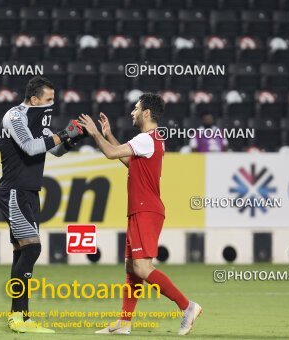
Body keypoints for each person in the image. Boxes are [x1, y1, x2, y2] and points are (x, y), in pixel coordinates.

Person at [78, 93, 202, 336]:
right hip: (141, 209)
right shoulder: (151, 140)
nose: (132, 112)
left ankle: (187, 306)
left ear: (146, 113)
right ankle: (124, 323)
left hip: (146, 209)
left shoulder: (146, 139)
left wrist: (93, 132)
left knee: (143, 268)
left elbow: (112, 154)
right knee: (131, 268)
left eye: (135, 108)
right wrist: (108, 135)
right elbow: (128, 160)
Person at [0, 76, 85, 334]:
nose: (51, 105)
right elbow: (30, 147)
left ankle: (20, 317)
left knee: (21, 252)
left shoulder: (39, 121)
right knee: (32, 249)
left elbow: (55, 149)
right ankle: (18, 316)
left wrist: (74, 138)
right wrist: (62, 134)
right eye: (48, 100)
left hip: (30, 192)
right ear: (34, 99)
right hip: (15, 191)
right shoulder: (15, 116)